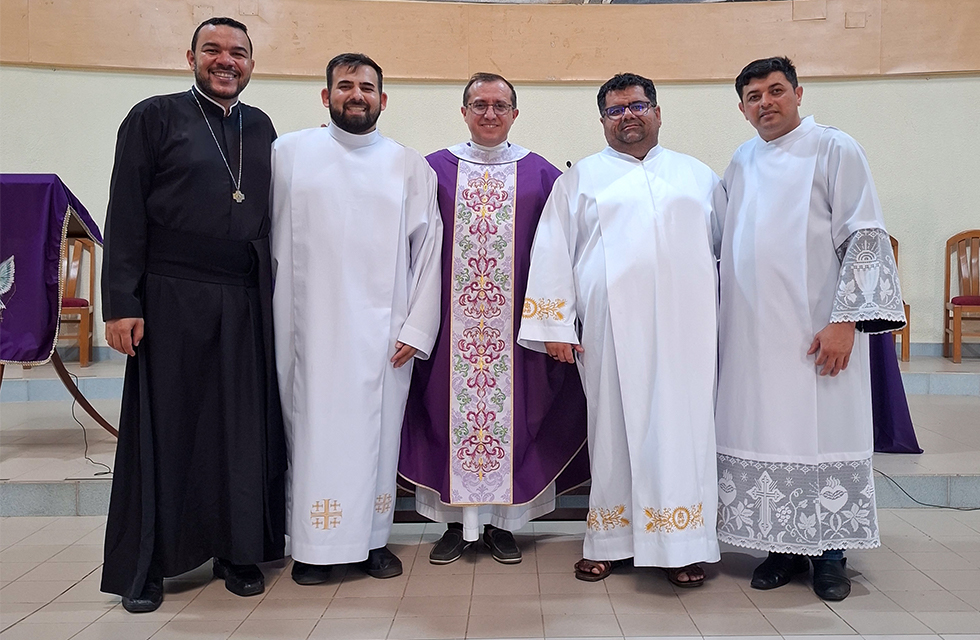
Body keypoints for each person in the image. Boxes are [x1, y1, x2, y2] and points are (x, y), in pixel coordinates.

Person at [100, 17, 285, 613]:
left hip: (242, 297)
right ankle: (150, 565)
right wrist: (122, 303)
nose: (225, 60)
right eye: (213, 50)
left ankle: (236, 550)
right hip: (170, 297)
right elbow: (124, 211)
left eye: (238, 52)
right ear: (191, 57)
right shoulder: (153, 116)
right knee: (168, 429)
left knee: (238, 429)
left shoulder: (260, 127)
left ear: (252, 64)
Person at [518, 73, 722, 587]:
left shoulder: (699, 178)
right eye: (615, 110)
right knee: (611, 431)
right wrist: (554, 324)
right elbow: (552, 252)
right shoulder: (580, 179)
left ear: (657, 111)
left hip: (687, 332)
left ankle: (681, 543)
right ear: (603, 119)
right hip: (608, 332)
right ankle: (611, 539)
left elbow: (728, 253)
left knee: (682, 432)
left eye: (637, 106)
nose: (628, 115)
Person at [714, 57, 906, 601]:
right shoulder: (742, 160)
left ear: (798, 93)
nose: (765, 103)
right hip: (753, 337)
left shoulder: (834, 148)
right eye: (754, 96)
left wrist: (845, 321)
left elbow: (864, 235)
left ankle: (829, 555)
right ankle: (781, 547)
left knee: (822, 434)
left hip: (817, 335)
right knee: (768, 434)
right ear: (742, 109)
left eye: (776, 91)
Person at [399, 73, 588, 565]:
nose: (489, 113)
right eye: (479, 104)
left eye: (499, 105)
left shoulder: (543, 174)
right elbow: (408, 246)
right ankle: (456, 525)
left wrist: (559, 321)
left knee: (517, 425)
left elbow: (563, 252)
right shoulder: (433, 170)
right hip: (448, 330)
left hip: (514, 332)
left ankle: (502, 525)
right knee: (445, 421)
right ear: (463, 111)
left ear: (515, 114)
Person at [270, 53, 442, 585]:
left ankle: (370, 542)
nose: (357, 95)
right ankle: (310, 546)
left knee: (377, 435)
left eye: (367, 87)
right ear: (326, 97)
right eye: (345, 86)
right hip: (304, 328)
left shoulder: (408, 164)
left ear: (382, 100)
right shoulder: (287, 154)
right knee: (310, 431)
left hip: (383, 335)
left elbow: (430, 250)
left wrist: (418, 328)